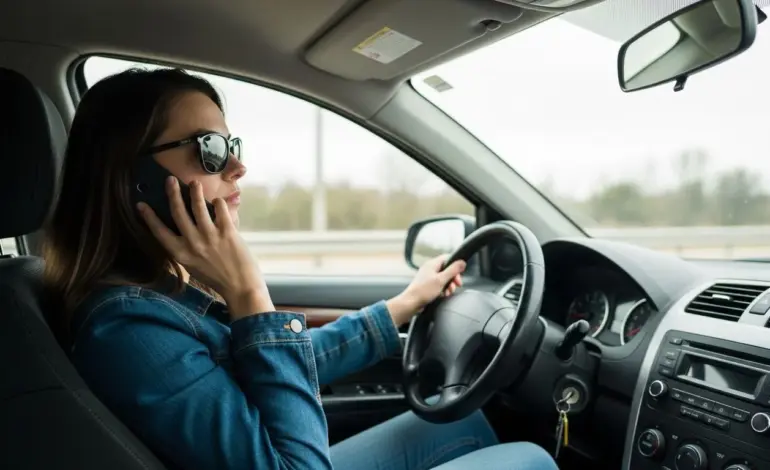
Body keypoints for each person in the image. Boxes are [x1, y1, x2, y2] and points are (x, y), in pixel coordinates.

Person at [42, 67, 558, 470]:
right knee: (530, 460)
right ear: (133, 179)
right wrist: (248, 291)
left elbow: (279, 364)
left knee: (456, 423)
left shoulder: (160, 294)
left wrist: (403, 306)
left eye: (232, 146)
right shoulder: (127, 328)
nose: (238, 166)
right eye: (211, 149)